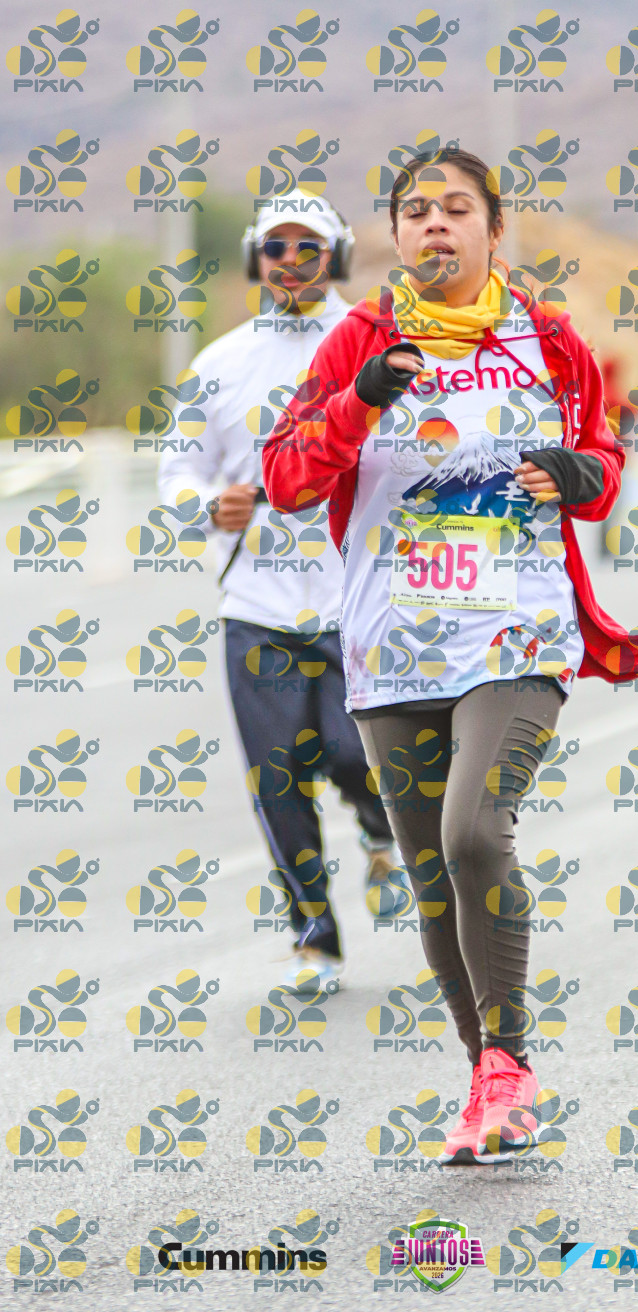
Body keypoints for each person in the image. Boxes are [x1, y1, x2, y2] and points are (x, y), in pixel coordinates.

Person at [262, 147, 638, 1163]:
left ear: (493, 227)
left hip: (516, 629)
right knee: (434, 876)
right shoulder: (360, 339)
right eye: (414, 211)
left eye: (454, 209)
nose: (433, 224)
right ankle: (490, 1081)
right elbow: (287, 479)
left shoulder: (547, 340)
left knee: (474, 833)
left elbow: (602, 462)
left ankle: (509, 1061)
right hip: (393, 644)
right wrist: (357, 400)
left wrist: (582, 471)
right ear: (396, 234)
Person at [158, 191, 407, 996]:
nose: (291, 263)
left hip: (355, 597)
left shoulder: (373, 349)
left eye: (308, 247)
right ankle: (314, 940)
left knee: (350, 752)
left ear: (337, 256)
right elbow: (176, 473)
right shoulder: (218, 363)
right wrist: (207, 506)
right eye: (276, 248)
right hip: (256, 604)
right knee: (277, 779)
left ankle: (379, 831)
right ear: (254, 259)